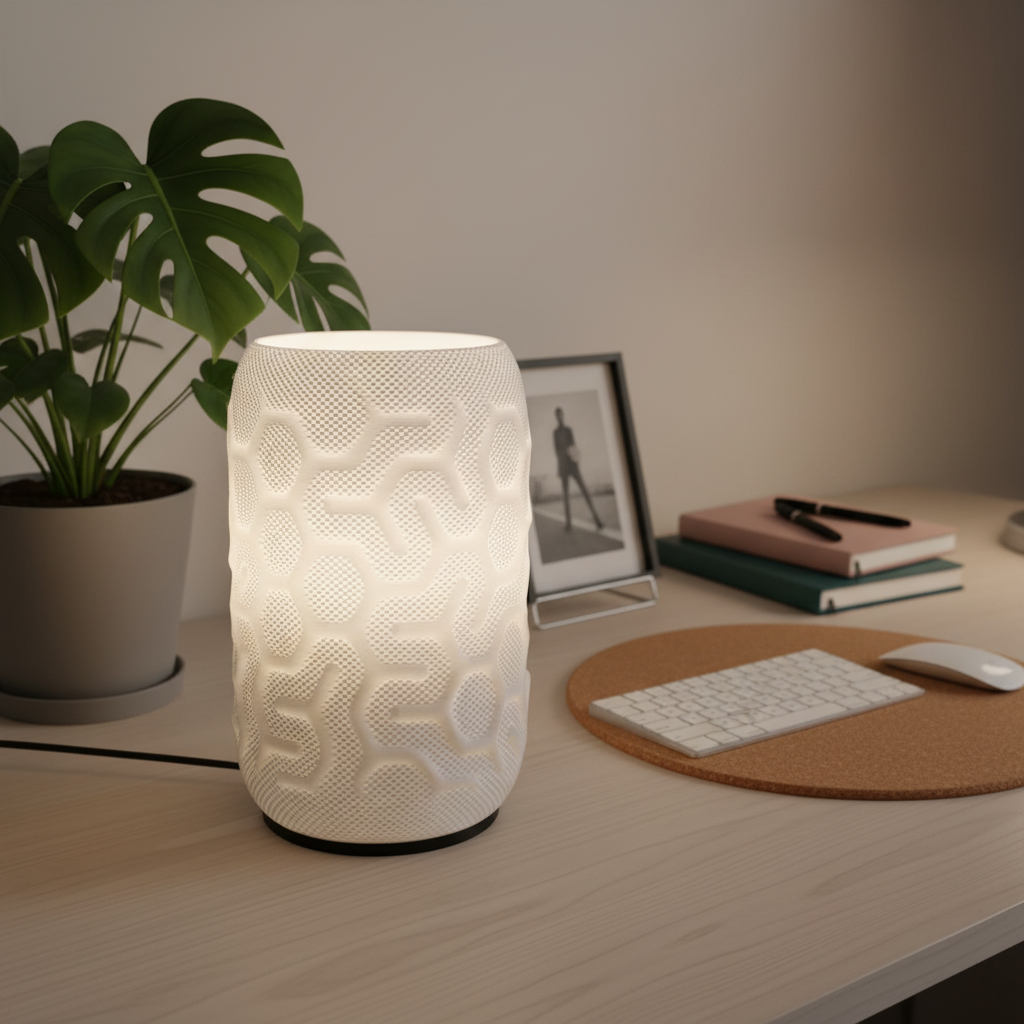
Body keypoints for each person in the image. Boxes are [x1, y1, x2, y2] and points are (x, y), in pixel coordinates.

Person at [553, 407, 604, 531]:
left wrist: (573, 459)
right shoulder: (555, 433)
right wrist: (561, 465)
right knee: (566, 496)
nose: (559, 417)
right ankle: (568, 523)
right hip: (564, 467)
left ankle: (597, 520)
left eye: (561, 415)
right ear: (556, 417)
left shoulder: (568, 430)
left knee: (585, 491)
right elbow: (557, 451)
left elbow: (574, 446)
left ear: (563, 416)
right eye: (557, 415)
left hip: (573, 465)